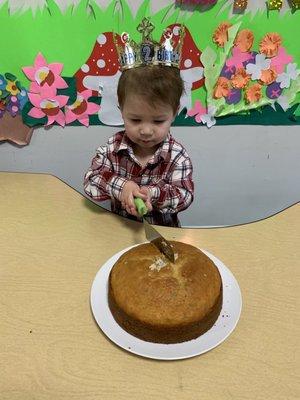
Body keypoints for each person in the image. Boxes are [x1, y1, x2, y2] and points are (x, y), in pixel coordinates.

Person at [84, 65, 194, 227]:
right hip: (121, 231)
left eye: (158, 121)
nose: (146, 131)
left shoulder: (177, 155)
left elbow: (185, 195)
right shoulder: (112, 147)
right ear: (121, 111)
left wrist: (152, 194)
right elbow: (91, 180)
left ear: (174, 113)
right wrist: (122, 187)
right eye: (135, 120)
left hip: (163, 232)